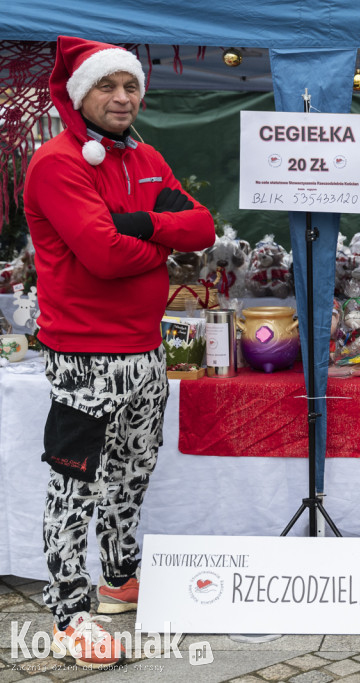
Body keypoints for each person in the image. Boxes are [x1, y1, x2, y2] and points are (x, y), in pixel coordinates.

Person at [23, 36, 216, 668]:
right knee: (73, 486)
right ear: (81, 93)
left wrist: (141, 227)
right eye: (107, 86)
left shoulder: (147, 156)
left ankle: (118, 578)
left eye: (130, 86)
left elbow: (204, 227)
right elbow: (103, 257)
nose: (122, 97)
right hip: (83, 355)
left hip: (145, 350)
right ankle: (69, 612)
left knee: (131, 475)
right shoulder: (58, 163)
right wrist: (161, 240)